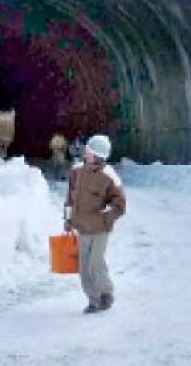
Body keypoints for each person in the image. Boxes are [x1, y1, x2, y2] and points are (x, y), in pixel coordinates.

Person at [64, 134, 126, 314]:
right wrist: (68, 220)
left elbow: (120, 205)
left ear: (99, 156)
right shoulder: (76, 171)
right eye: (87, 150)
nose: (86, 152)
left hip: (100, 230)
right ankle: (94, 300)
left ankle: (106, 292)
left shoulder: (109, 176)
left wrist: (106, 217)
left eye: (90, 151)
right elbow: (69, 199)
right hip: (82, 228)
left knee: (95, 263)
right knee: (84, 269)